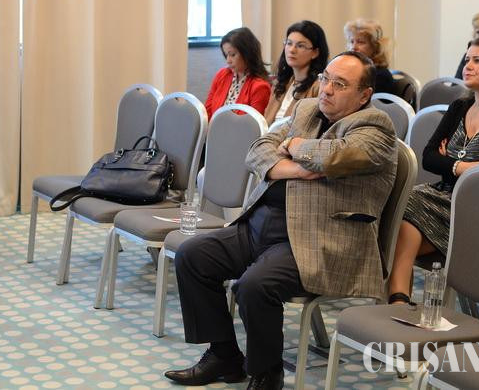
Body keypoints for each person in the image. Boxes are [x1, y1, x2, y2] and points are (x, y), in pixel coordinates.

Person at [164, 51, 397, 389]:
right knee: (192, 256)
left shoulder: (376, 126)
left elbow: (334, 157)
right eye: (325, 79)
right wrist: (298, 169)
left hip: (317, 239)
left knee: (254, 286)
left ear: (364, 95)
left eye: (340, 84)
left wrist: (295, 145)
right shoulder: (306, 109)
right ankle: (224, 355)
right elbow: (257, 150)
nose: (327, 89)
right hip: (261, 225)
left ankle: (267, 373)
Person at [389, 35, 479, 305]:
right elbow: (427, 157)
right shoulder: (460, 106)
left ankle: (397, 299)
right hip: (441, 197)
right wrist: (463, 166)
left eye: (478, 61)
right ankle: (399, 299)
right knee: (404, 207)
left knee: (402, 219)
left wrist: (449, 162)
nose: (467, 66)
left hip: (478, 207)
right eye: (467, 59)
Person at [263, 20, 329, 125]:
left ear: (315, 53)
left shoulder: (319, 87)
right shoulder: (280, 83)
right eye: (289, 43)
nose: (292, 50)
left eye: (300, 46)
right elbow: (265, 122)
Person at [203, 27, 271, 119]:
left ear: (247, 53)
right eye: (226, 55)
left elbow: (253, 125)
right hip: (214, 127)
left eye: (232, 55)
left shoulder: (260, 87)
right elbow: (207, 113)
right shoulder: (222, 74)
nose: (228, 61)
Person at [344, 18, 397, 95]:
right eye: (352, 42)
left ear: (375, 47)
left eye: (360, 42)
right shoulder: (354, 70)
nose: (353, 47)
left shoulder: (380, 76)